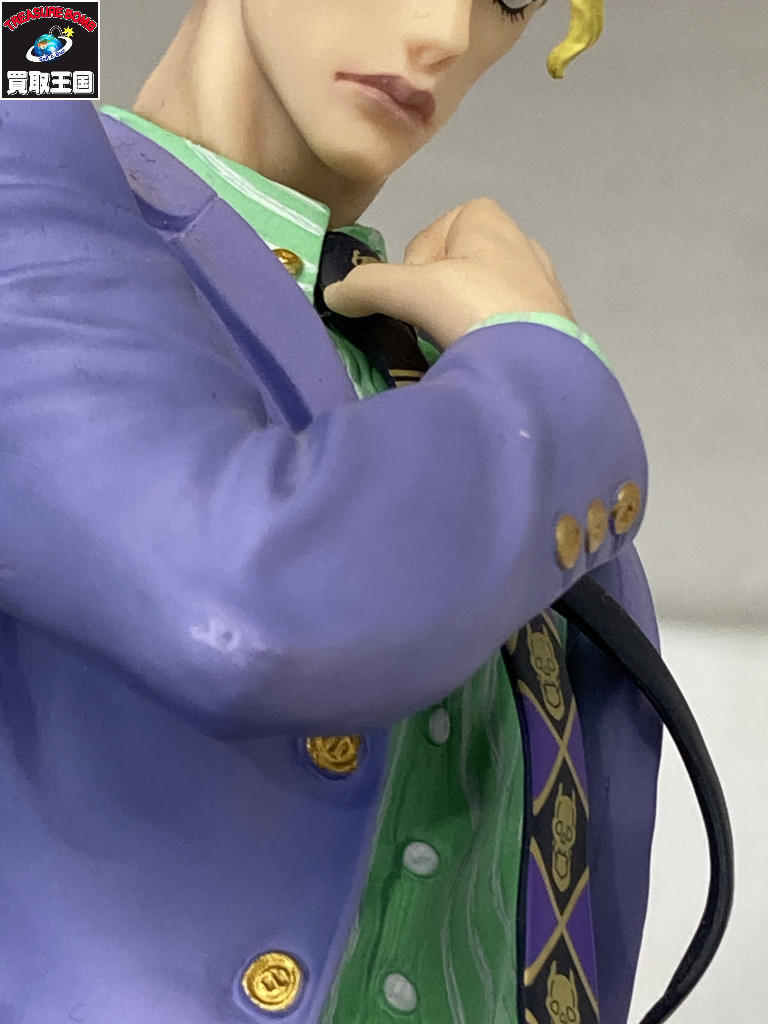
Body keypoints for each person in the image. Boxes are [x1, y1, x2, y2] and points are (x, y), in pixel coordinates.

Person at [0, 0, 661, 1022]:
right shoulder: (525, 394)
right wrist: (542, 366)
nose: (445, 33)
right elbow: (243, 599)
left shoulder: (460, 386)